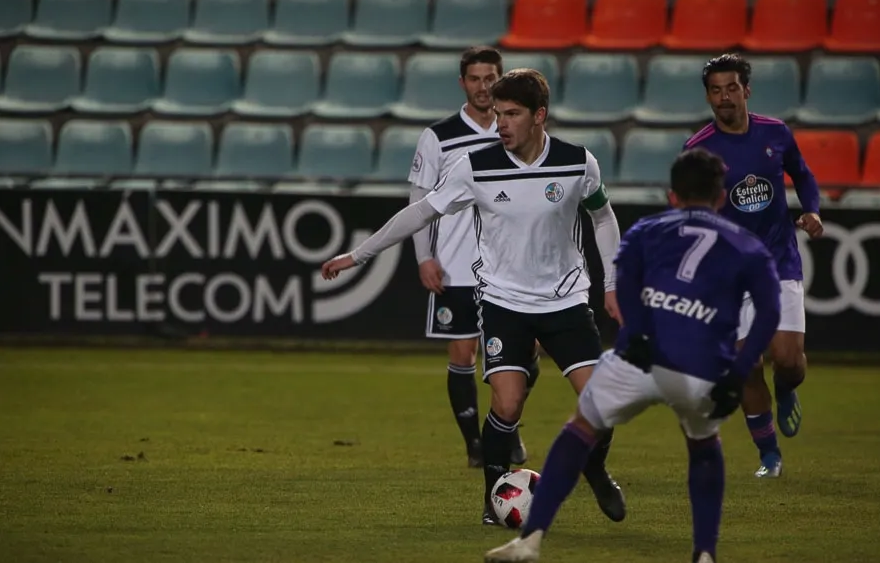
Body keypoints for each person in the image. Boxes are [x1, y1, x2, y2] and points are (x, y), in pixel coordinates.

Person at [322, 68, 626, 526]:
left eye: (512, 114)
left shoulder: (577, 162)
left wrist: (612, 283)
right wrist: (358, 255)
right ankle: (494, 495)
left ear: (539, 116)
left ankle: (596, 469)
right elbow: (420, 213)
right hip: (504, 302)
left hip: (564, 300)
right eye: (498, 114)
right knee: (508, 403)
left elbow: (603, 218)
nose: (501, 123)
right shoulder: (475, 166)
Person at [484, 147, 782, 563]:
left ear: (672, 196)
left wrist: (637, 332)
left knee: (579, 429)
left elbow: (623, 275)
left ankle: (530, 541)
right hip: (701, 367)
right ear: (720, 197)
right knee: (703, 445)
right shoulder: (748, 247)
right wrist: (738, 372)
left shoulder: (648, 229)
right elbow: (769, 313)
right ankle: (704, 554)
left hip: (638, 357)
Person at [682, 53, 823, 478]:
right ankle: (769, 455)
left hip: (778, 261)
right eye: (715, 90)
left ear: (746, 89)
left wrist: (812, 210)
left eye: (731, 88)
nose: (724, 97)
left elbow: (803, 174)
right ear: (708, 96)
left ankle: (786, 388)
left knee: (789, 360)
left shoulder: (775, 133)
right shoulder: (698, 150)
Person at [407, 46, 528, 469]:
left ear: (501, 79)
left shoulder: (517, 130)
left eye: (490, 78)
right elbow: (419, 201)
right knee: (462, 355)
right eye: (474, 79)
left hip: (511, 265)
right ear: (462, 83)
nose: (482, 86)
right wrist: (424, 256)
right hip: (456, 265)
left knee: (520, 354)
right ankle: (475, 445)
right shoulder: (438, 137)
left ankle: (507, 427)